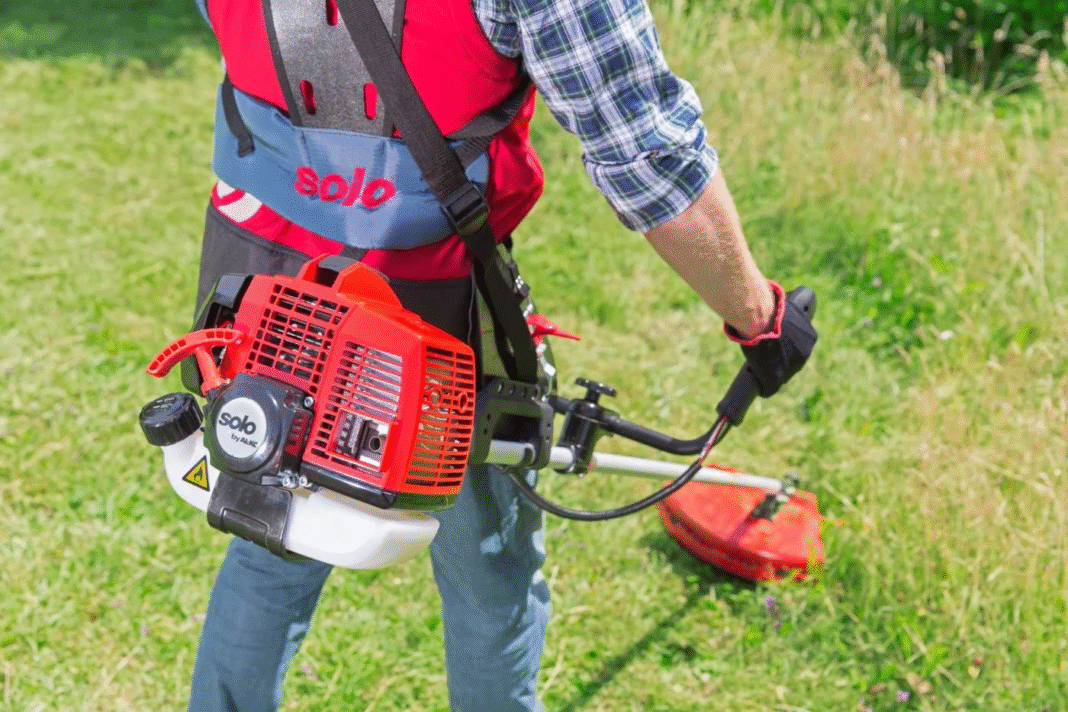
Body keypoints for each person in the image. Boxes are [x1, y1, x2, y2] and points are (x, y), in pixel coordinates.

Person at [182, 0, 815, 710]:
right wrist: (760, 320)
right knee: (489, 577)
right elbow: (646, 152)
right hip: (431, 337)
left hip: (266, 303)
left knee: (273, 535)